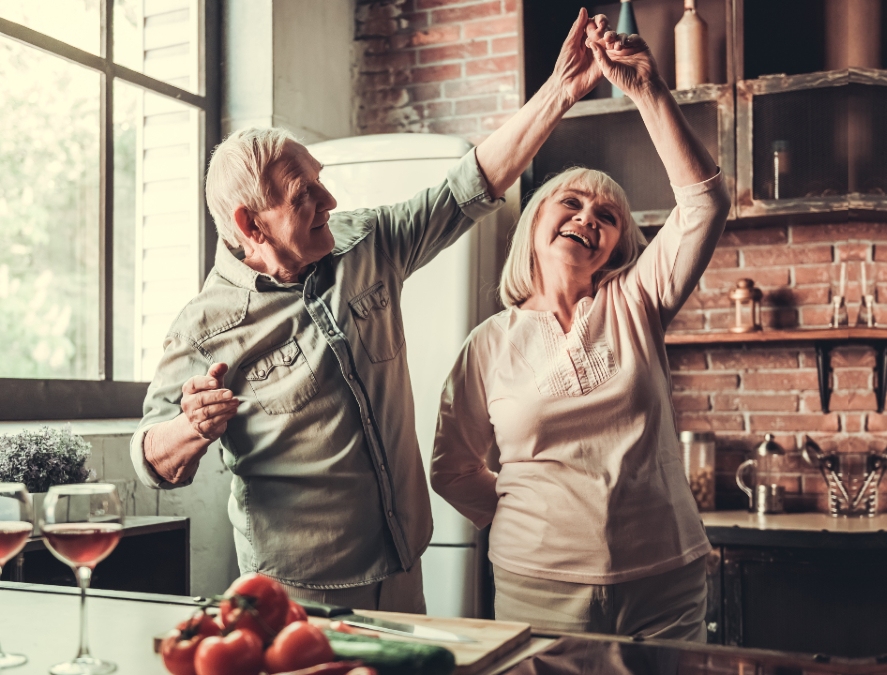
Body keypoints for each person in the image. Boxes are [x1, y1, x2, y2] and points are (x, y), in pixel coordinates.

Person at [130, 9, 618, 613]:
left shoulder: (366, 244)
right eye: (304, 193)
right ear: (250, 225)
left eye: (321, 180)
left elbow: (469, 185)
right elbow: (153, 462)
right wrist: (190, 427)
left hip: (403, 562)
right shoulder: (203, 326)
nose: (329, 200)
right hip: (297, 591)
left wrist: (560, 92)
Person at [430, 28, 729, 639]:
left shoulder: (637, 300)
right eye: (571, 203)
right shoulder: (488, 343)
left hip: (663, 580)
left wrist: (647, 92)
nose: (587, 218)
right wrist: (532, 521)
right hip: (534, 585)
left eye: (607, 217)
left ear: (617, 244)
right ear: (536, 220)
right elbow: (452, 469)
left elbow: (703, 205)